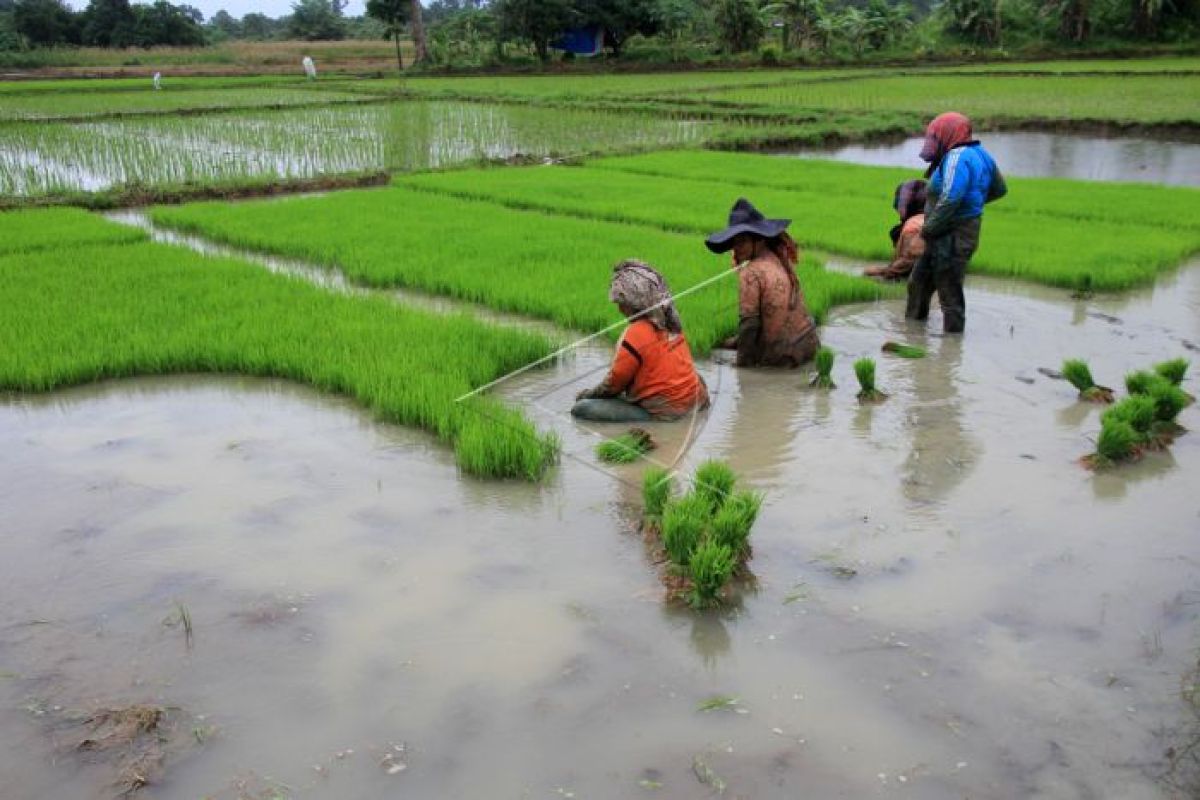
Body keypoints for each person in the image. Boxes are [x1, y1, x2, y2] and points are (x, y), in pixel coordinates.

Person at [572, 259, 709, 422]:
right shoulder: (671, 320)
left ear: (637, 300)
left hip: (666, 412)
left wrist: (587, 394)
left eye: (623, 302)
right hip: (697, 400)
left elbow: (613, 385)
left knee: (581, 408)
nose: (619, 308)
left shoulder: (637, 332)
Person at [906, 112, 1007, 334]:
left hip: (951, 235)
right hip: (951, 230)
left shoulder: (956, 157)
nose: (933, 142)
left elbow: (951, 197)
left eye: (936, 137)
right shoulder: (982, 155)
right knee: (918, 283)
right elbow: (1000, 189)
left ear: (949, 134)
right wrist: (973, 205)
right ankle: (912, 335)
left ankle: (950, 354)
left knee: (949, 294)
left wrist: (923, 235)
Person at [705, 198, 819, 368]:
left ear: (759, 240)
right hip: (809, 344)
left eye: (742, 241)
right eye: (734, 243)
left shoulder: (751, 272)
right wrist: (737, 341)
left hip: (784, 357)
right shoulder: (779, 257)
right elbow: (776, 310)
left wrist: (742, 368)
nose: (736, 249)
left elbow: (750, 325)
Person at [865, 179, 926, 281]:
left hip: (924, 280)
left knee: (868, 273)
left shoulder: (914, 225)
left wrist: (885, 272)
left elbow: (911, 258)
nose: (898, 210)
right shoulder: (936, 218)